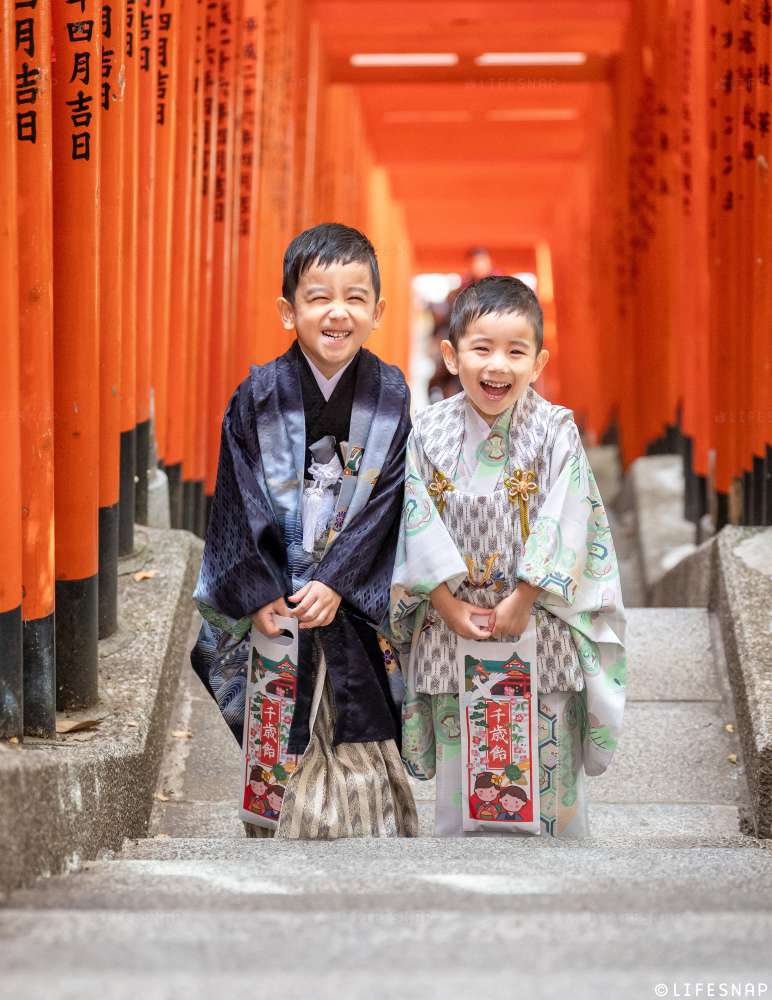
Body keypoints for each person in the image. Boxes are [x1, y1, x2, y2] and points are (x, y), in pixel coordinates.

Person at [192, 223, 418, 839]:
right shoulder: (257, 394)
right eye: (319, 297)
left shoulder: (391, 395)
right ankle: (280, 834)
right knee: (278, 731)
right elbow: (237, 496)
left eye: (355, 297)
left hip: (349, 605)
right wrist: (259, 589)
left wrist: (340, 581)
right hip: (277, 602)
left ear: (378, 311)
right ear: (288, 311)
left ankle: (369, 834)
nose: (337, 312)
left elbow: (390, 499)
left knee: (360, 726)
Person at [390, 275, 626, 837]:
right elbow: (409, 521)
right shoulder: (424, 432)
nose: (498, 366)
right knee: (462, 774)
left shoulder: (554, 430)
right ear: (451, 355)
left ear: (539, 362)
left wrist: (524, 595)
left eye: (516, 351)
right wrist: (444, 603)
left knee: (548, 775)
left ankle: (557, 896)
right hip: (453, 630)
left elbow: (571, 517)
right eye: (481, 349)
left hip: (540, 625)